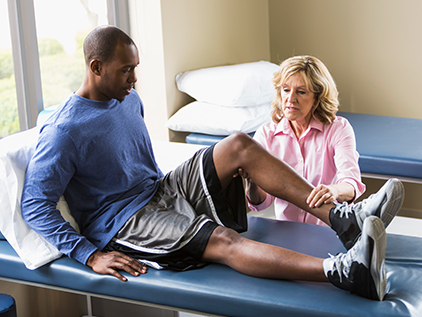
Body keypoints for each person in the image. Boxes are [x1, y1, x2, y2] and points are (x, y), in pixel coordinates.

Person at [21, 26, 404, 301]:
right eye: (126, 71)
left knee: (238, 144)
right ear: (95, 67)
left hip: (160, 189)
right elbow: (35, 205)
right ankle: (345, 273)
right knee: (222, 239)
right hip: (126, 221)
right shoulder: (64, 131)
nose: (134, 80)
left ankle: (343, 219)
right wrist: (90, 254)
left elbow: (139, 165)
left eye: (135, 68)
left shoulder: (127, 99)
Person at [245, 55, 366, 225]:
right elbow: (261, 204)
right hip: (288, 231)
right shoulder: (266, 135)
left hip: (328, 230)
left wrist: (333, 191)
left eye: (301, 92)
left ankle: (361, 216)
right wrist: (251, 181)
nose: (291, 99)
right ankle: (364, 215)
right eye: (286, 90)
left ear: (318, 96)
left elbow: (351, 185)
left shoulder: (338, 128)